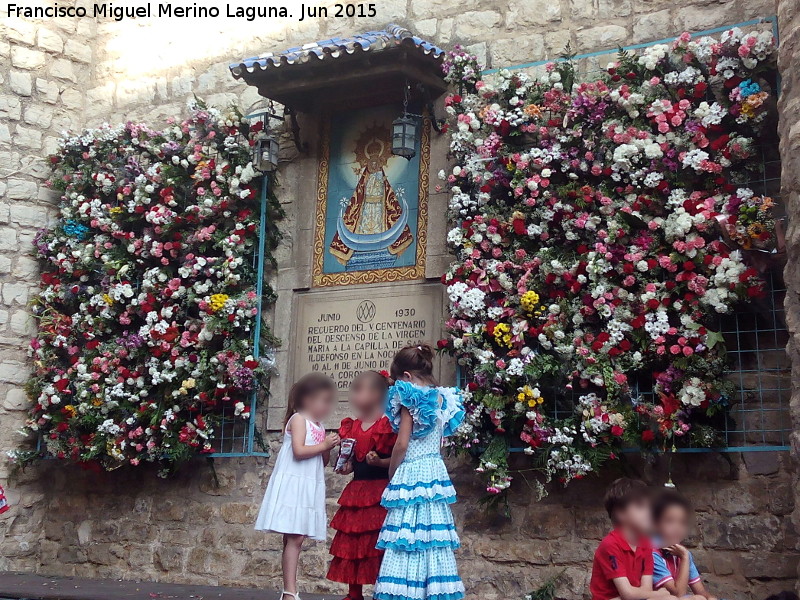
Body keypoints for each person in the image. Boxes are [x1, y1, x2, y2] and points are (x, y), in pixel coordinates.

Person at [373, 344, 466, 600]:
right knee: (432, 537)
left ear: (406, 377)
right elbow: (437, 442)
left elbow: (402, 444)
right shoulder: (443, 398)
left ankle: (406, 591)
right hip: (434, 470)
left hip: (412, 470)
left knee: (407, 536)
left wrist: (392, 472)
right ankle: (432, 590)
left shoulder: (409, 399)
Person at [254, 373, 341, 600]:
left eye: (327, 402)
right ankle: (290, 592)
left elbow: (321, 462)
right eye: (322, 401)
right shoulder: (299, 419)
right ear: (306, 399)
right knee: (296, 538)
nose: (325, 407)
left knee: (295, 538)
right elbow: (300, 451)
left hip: (308, 484)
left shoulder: (318, 425)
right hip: (295, 482)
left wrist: (327, 448)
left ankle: (289, 590)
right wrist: (323, 443)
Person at [327, 371, 397, 600]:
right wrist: (346, 467)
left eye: (361, 390)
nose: (355, 396)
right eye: (354, 390)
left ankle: (384, 591)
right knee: (354, 541)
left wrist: (379, 462)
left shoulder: (386, 425)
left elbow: (397, 459)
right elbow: (351, 462)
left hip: (380, 491)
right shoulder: (351, 426)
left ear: (378, 394)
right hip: (357, 491)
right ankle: (354, 593)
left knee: (378, 542)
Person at [590, 478, 679, 600]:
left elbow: (646, 590)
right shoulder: (610, 544)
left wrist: (655, 595)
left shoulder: (646, 543)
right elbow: (627, 594)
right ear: (621, 513)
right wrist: (660, 594)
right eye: (641, 506)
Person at [652, 489, 717, 600]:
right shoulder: (652, 553)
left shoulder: (682, 552)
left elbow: (700, 591)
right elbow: (677, 594)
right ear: (656, 524)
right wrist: (684, 558)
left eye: (682, 522)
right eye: (669, 521)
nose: (677, 528)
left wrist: (710, 598)